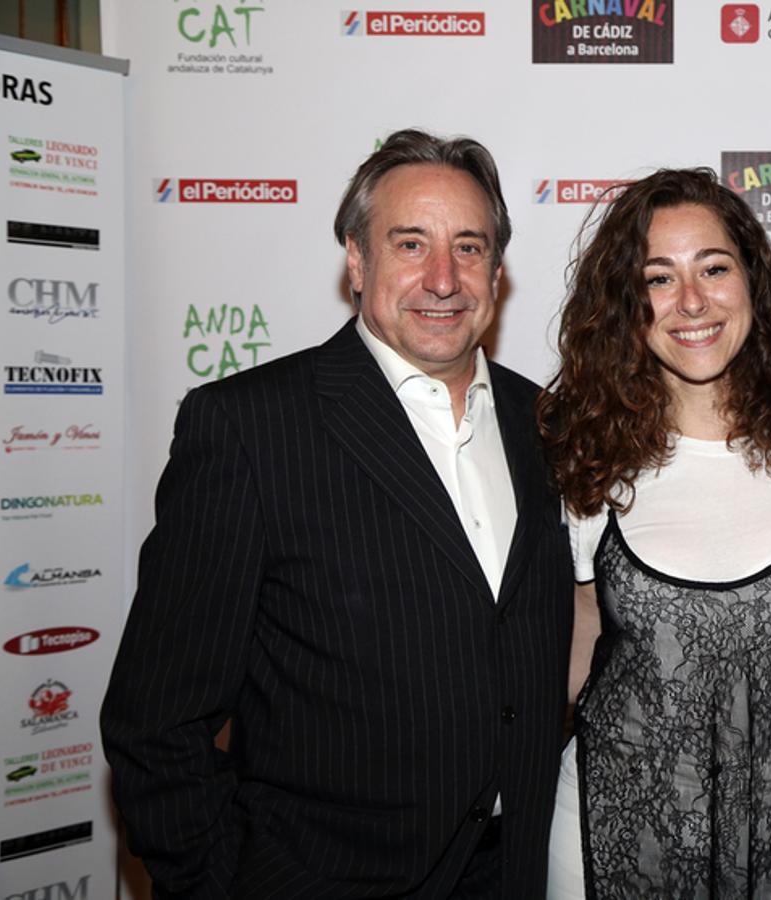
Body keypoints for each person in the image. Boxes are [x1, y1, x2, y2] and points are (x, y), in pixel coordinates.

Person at [101, 130, 574, 898]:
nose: (444, 279)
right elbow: (156, 725)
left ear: (497, 267)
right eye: (411, 244)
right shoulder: (250, 428)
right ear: (358, 261)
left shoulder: (546, 425)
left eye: (470, 247)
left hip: (514, 873)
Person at [537, 168, 771, 898]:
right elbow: (571, 650)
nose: (691, 302)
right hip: (612, 835)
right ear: (626, 305)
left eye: (714, 268)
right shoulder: (584, 455)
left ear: (752, 279)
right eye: (658, 279)